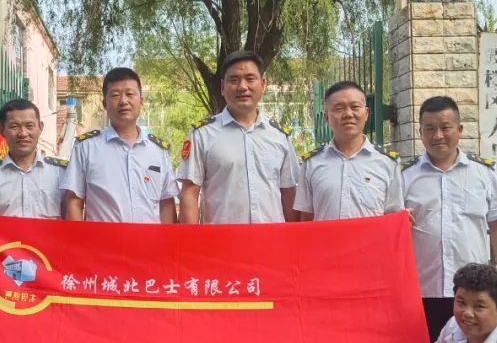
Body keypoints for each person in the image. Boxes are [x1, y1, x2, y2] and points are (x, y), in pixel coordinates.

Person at [404, 96, 497, 342]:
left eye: (445, 127)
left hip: (474, 296)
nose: (438, 135)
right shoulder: (405, 177)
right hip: (421, 292)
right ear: (420, 133)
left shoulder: (483, 175)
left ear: (460, 130)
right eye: (430, 129)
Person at [178, 50, 299, 224]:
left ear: (262, 84)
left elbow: (289, 194)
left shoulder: (279, 137)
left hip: (270, 238)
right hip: (221, 239)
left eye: (250, 79)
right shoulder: (202, 135)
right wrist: (191, 239)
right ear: (222, 87)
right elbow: (190, 193)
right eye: (234, 80)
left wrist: (294, 237)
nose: (242, 87)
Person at [61, 67, 177, 223]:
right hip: (101, 239)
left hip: (149, 239)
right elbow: (74, 203)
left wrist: (167, 239)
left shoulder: (158, 152)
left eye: (130, 94)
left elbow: (166, 204)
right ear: (105, 103)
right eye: (115, 95)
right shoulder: (86, 148)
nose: (123, 101)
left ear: (141, 102)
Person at [294, 81, 403, 222]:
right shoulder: (311, 164)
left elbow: (393, 218)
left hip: (371, 238)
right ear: (327, 117)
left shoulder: (387, 163)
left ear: (366, 113)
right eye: (339, 108)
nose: (348, 114)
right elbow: (306, 219)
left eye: (355, 107)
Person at [0, 98, 68, 218]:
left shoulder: (61, 173)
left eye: (29, 126)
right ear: (1, 130)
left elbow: (72, 220)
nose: (23, 133)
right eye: (14, 126)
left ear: (40, 127)